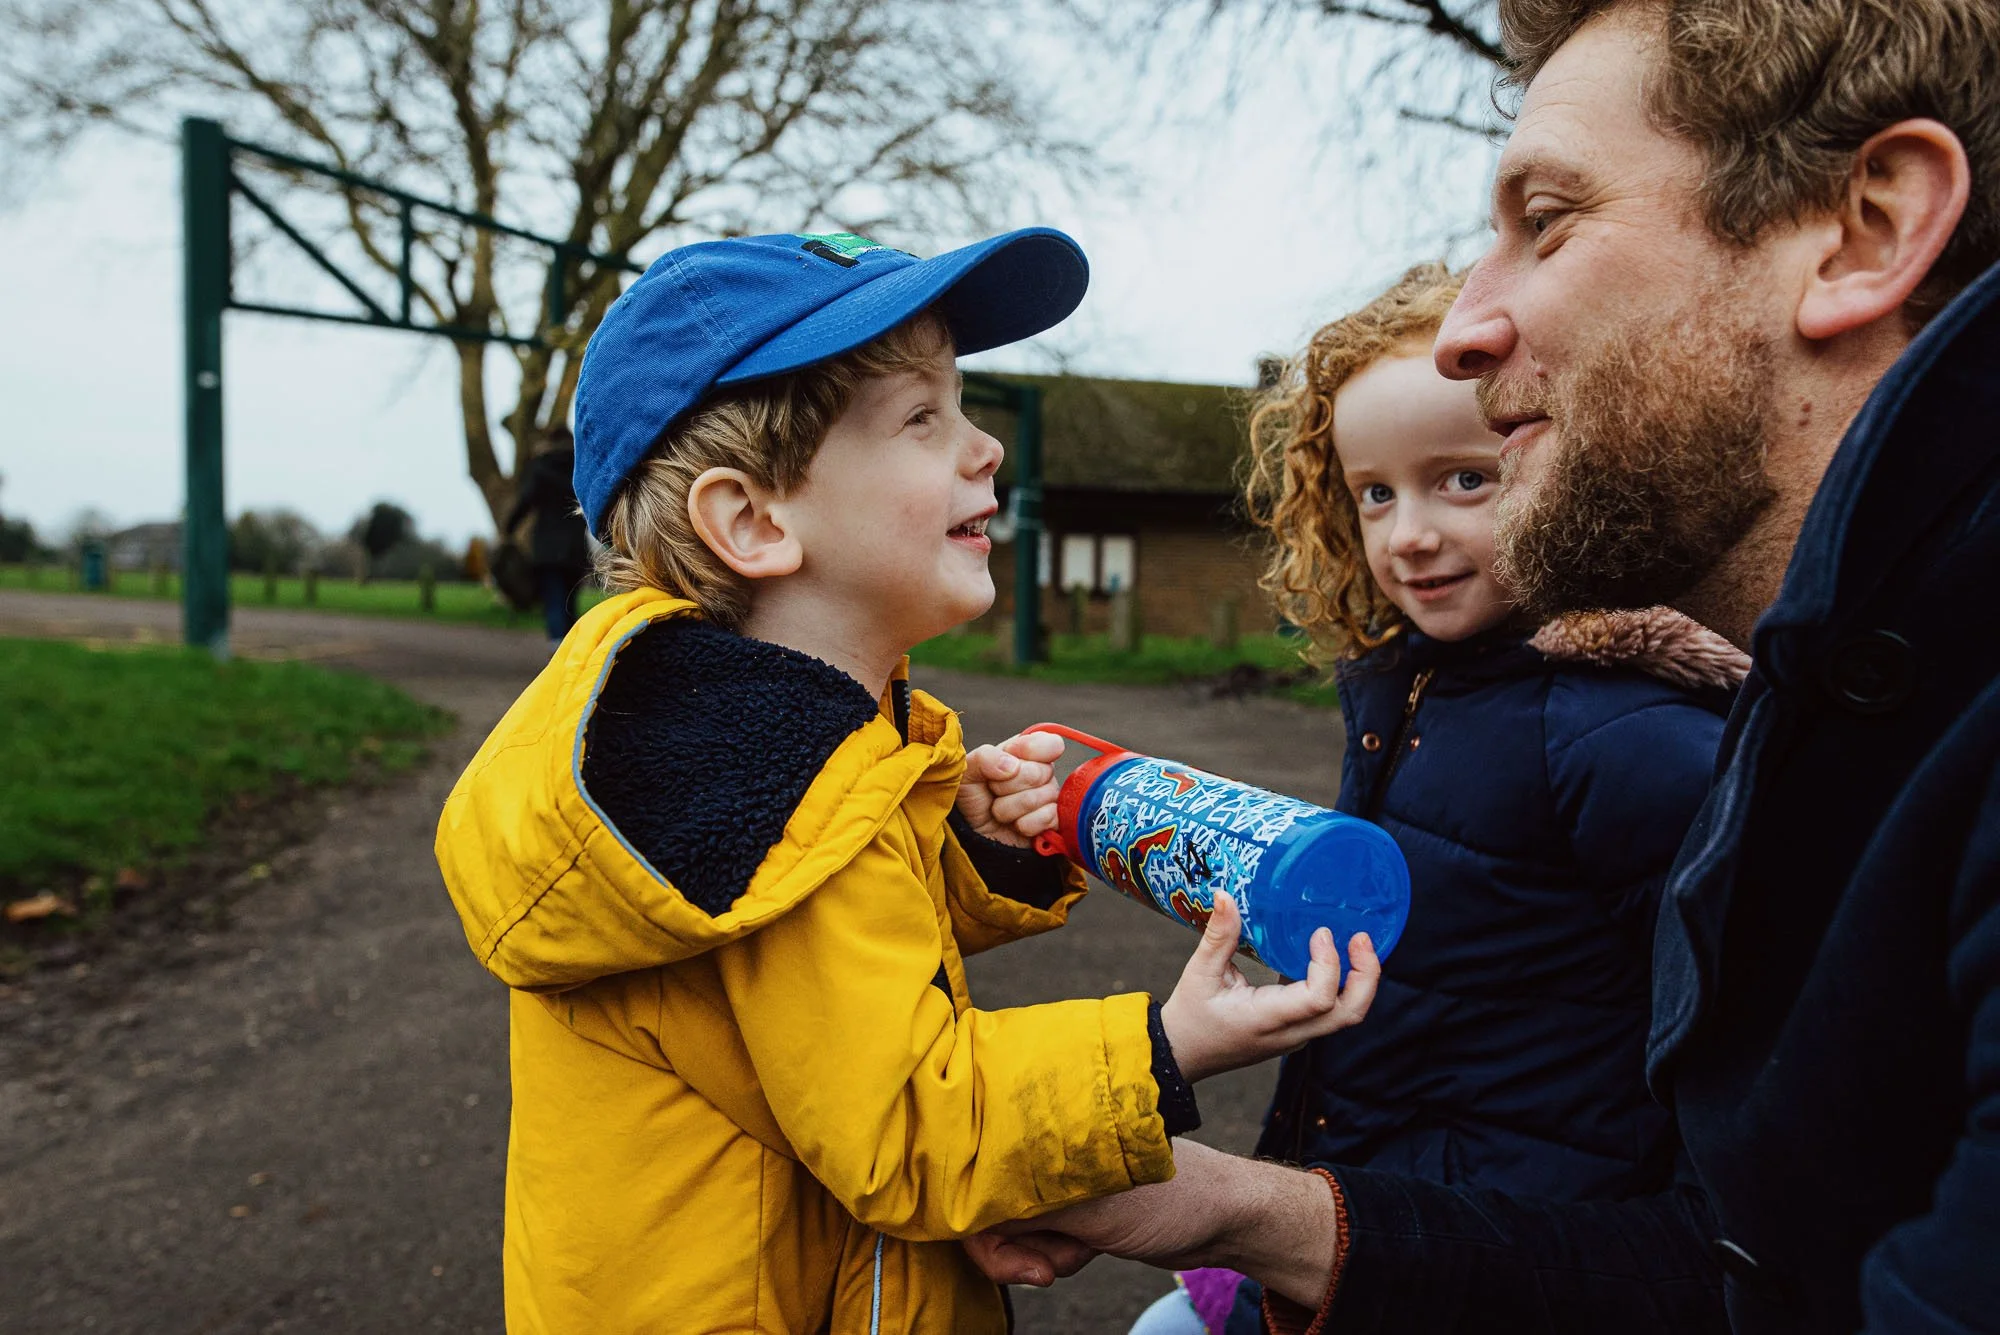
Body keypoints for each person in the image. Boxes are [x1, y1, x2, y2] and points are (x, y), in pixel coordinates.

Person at [968, 2, 2000, 1332]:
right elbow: (1740, 1276)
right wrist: (1248, 1210)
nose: (1462, 326)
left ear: (1865, 228)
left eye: (1546, 217)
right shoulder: (1833, 708)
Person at [433, 228, 1380, 1333]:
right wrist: (1170, 1044)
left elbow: (823, 991)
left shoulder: (731, 762)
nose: (983, 449)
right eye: (921, 418)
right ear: (753, 520)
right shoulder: (776, 786)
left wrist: (959, 851)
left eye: (963, 407)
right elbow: (913, 1125)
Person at [1130, 264, 1746, 1335]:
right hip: (1372, 1185)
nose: (1406, 532)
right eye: (1374, 491)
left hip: (1514, 1241)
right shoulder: (1406, 684)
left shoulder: (1624, 731)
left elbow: (1736, 1071)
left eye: (1463, 479)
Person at [502, 425, 592, 641]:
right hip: (574, 547)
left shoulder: (540, 467)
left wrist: (509, 528)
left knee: (553, 600)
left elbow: (525, 502)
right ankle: (572, 649)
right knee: (571, 602)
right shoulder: (581, 466)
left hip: (547, 547)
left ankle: (556, 646)